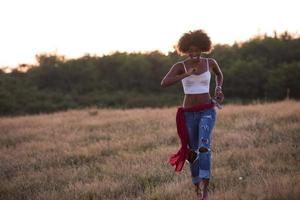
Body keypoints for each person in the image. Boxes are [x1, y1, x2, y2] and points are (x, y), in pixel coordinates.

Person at [161, 29, 224, 200]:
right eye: (191, 51)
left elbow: (219, 75)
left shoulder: (210, 62)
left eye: (197, 50)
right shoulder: (179, 66)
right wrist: (186, 74)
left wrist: (218, 88)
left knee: (204, 146)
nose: (194, 54)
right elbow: (164, 82)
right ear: (185, 50)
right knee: (192, 152)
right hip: (188, 113)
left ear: (203, 48)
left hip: (207, 110)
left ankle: (205, 189)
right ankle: (196, 185)